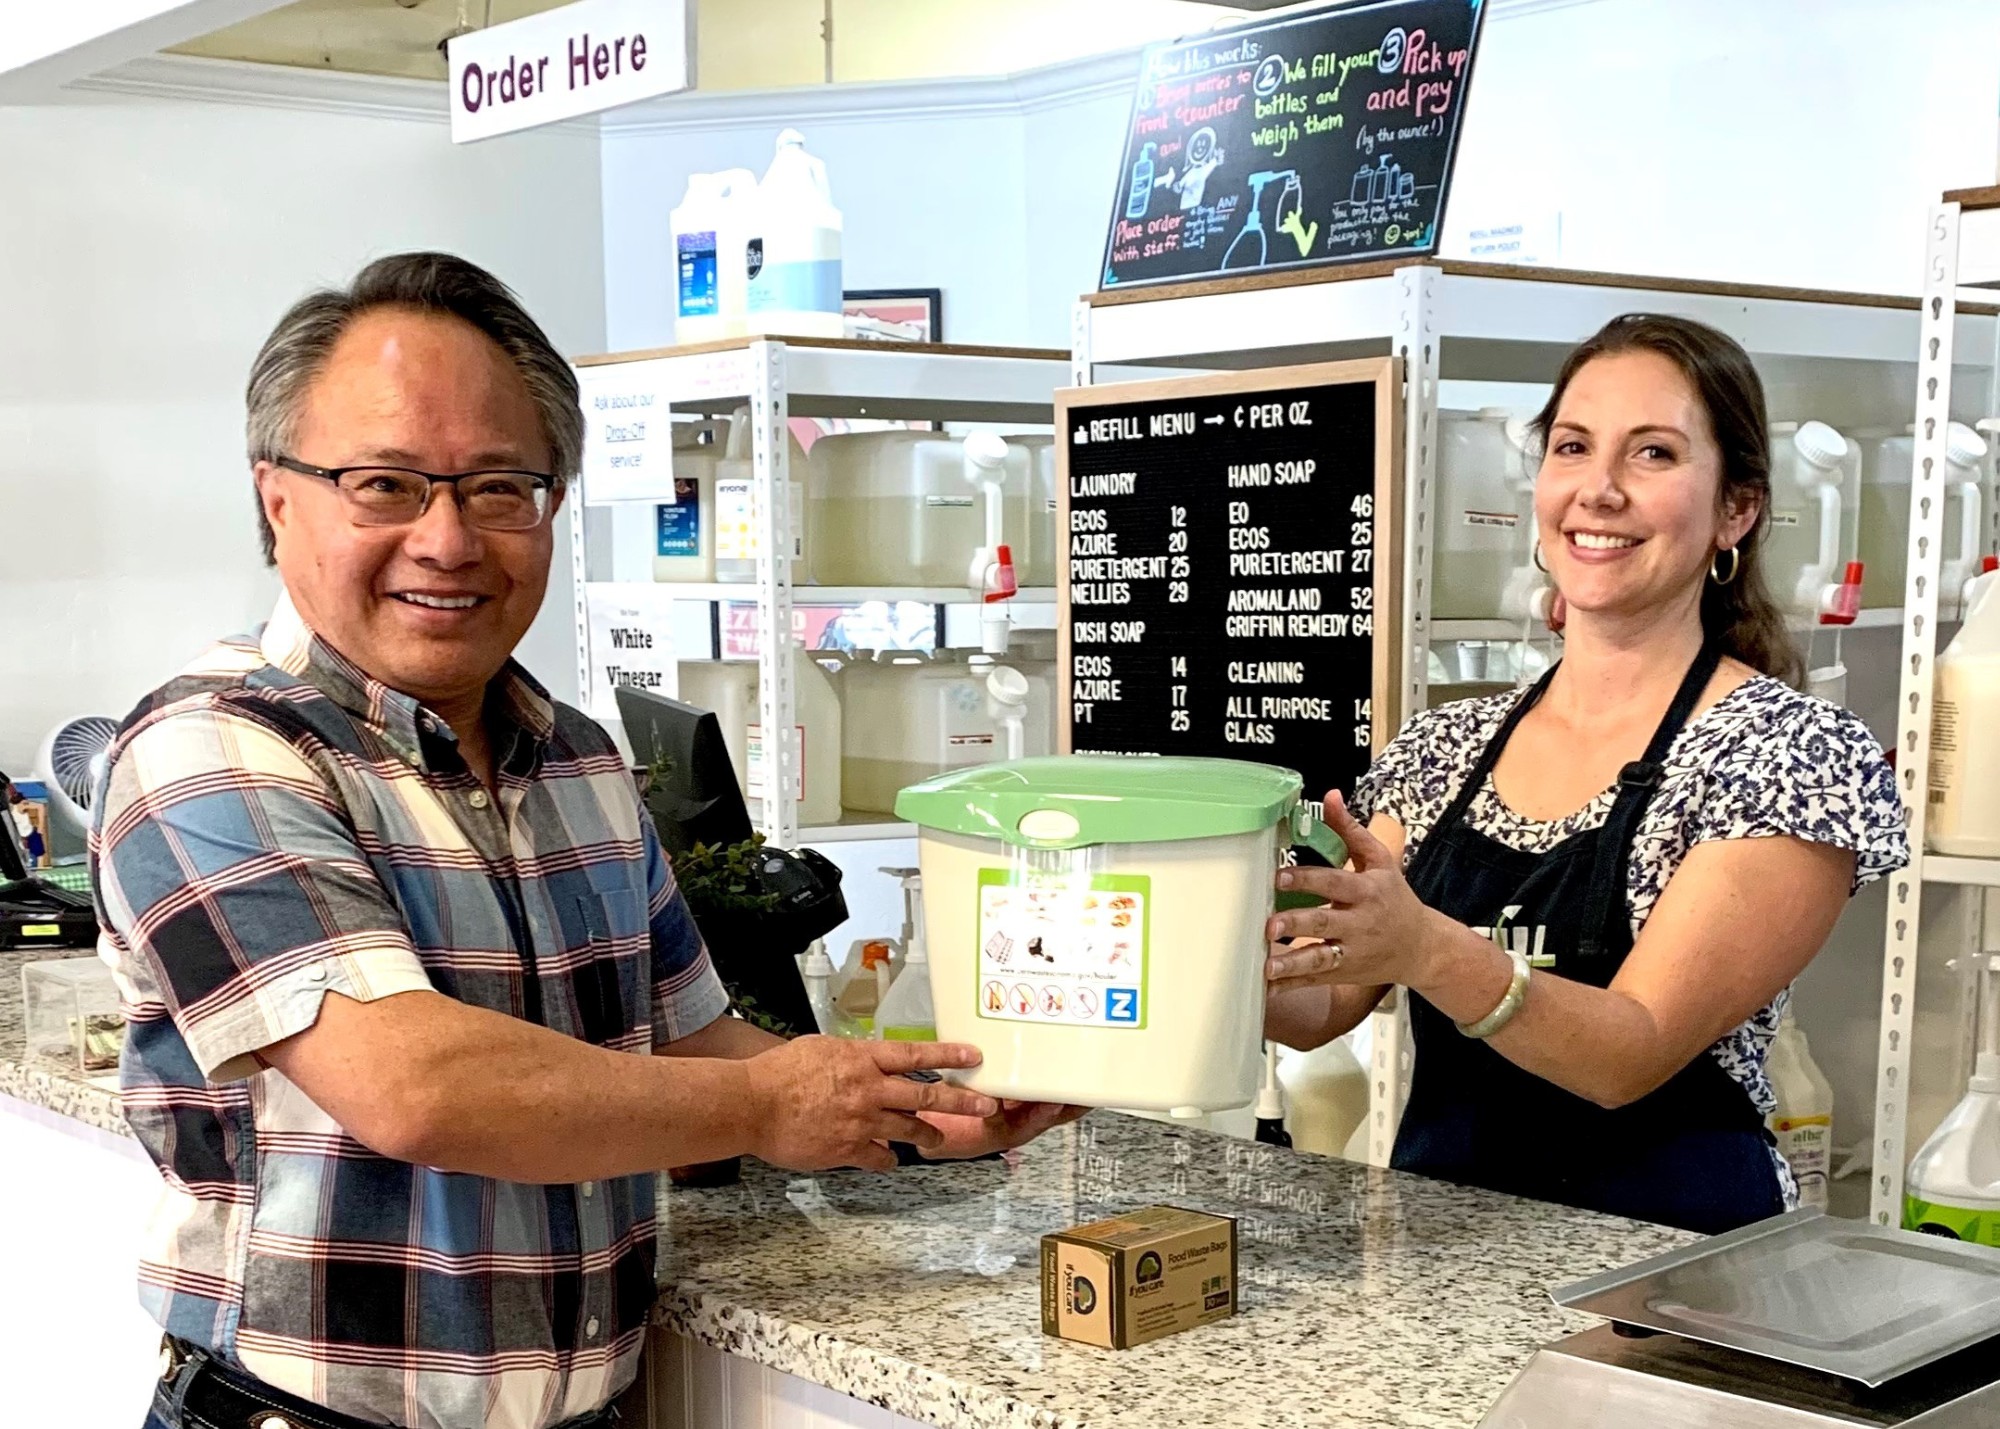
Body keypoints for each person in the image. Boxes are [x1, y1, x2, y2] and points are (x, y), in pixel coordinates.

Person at [94, 253, 1081, 1429]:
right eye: (387, 484)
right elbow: (413, 1085)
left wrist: (920, 1102)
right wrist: (768, 1107)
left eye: (501, 486)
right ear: (279, 498)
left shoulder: (579, 760)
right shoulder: (212, 749)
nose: (449, 540)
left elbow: (697, 1041)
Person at [1264, 314, 1908, 1234]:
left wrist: (1428, 948)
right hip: (1447, 1265)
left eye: (1652, 454)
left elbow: (1628, 1053)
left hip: (1677, 1283)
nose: (1598, 490)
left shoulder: (1783, 756)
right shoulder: (1446, 750)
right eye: (1573, 447)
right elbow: (1319, 1002)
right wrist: (1207, 937)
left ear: (1737, 509)